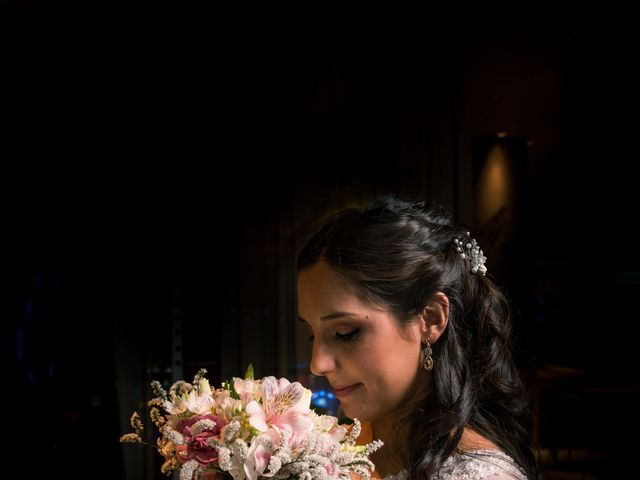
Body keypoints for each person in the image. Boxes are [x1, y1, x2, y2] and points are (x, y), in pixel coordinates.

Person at [296, 195, 538, 480]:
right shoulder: (330, 451)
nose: (317, 365)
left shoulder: (479, 475)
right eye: (313, 336)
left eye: (345, 333)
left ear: (431, 319)